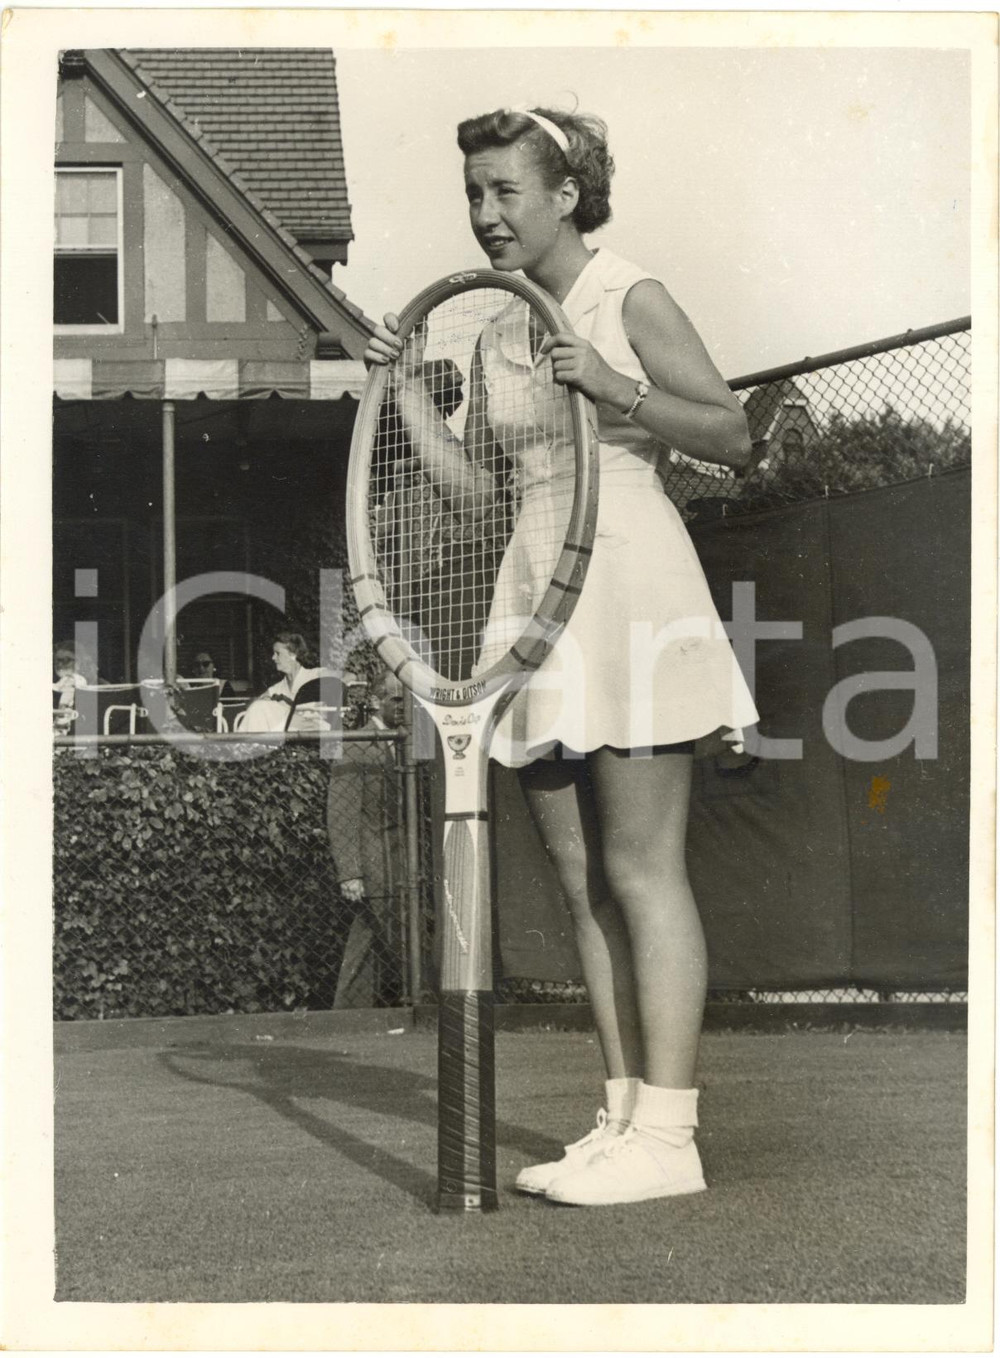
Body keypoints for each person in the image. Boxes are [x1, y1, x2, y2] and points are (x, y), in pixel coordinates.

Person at [364, 106, 760, 1207]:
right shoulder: (497, 328)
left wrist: (611, 384)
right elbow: (481, 495)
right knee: (582, 880)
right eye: (474, 194)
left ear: (566, 194)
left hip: (631, 577)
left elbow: (731, 434)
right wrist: (405, 391)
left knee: (640, 868)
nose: (486, 214)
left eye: (506, 191)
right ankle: (624, 1118)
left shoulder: (630, 295)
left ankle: (671, 1136)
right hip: (531, 588)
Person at [326, 671, 407, 1007]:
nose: (403, 706)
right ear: (375, 701)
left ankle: (349, 1011)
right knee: (393, 930)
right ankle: (423, 1000)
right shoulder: (355, 744)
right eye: (396, 699)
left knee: (372, 934)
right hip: (373, 861)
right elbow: (341, 812)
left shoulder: (407, 742)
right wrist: (350, 872)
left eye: (406, 700)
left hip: (402, 859)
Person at [241, 632, 333, 733]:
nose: (273, 658)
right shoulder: (278, 688)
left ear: (293, 655)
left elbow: (346, 678)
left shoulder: (315, 675)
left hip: (313, 730)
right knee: (259, 707)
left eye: (278, 653)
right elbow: (253, 707)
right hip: (288, 732)